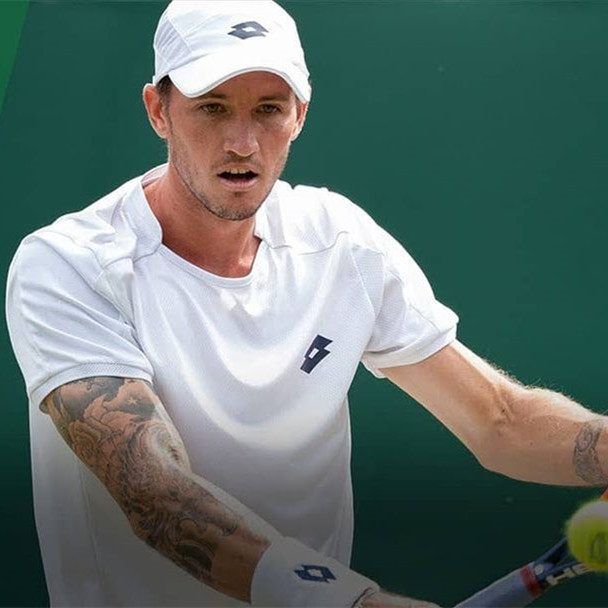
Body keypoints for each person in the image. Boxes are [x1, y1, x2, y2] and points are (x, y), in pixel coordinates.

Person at [5, 1, 607, 607]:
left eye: (269, 109)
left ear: (300, 115)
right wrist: (353, 602)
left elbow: (499, 422)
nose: (242, 143)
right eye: (212, 107)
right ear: (158, 110)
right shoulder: (67, 266)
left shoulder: (341, 242)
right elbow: (154, 494)